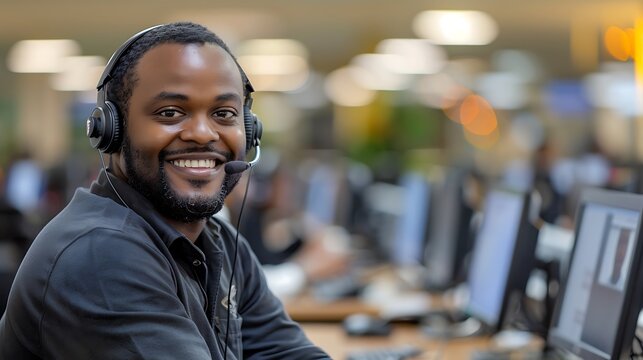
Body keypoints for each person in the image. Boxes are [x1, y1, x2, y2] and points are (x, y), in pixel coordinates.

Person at [0, 22, 329, 359]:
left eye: (224, 113)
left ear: (248, 131)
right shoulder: (101, 255)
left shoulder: (220, 242)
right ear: (112, 131)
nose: (203, 134)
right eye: (170, 112)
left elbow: (288, 353)